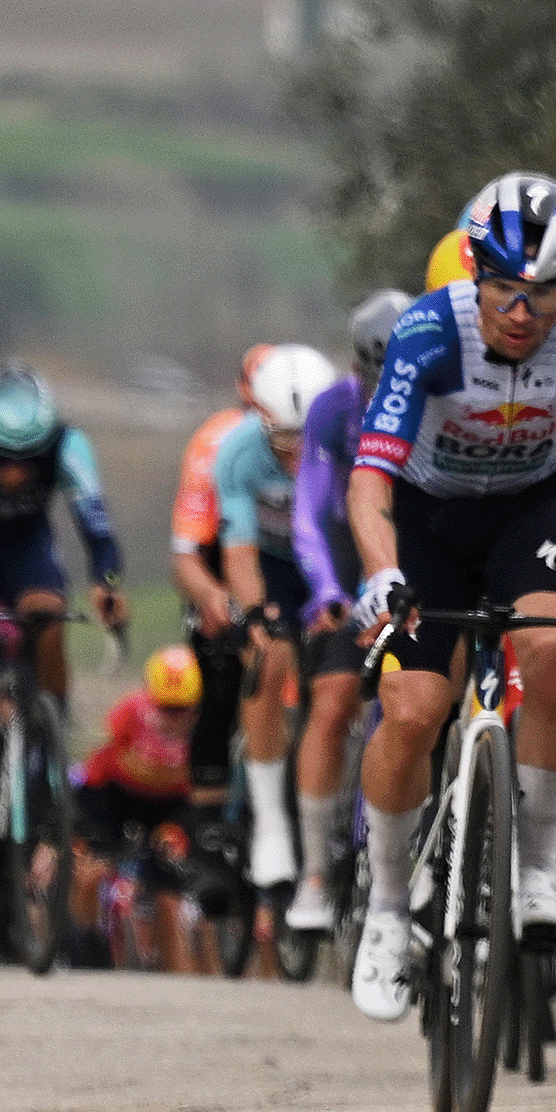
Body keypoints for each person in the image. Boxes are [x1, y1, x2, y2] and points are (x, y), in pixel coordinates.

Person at [344, 175, 556, 1026]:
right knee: (413, 709)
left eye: (542, 293)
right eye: (503, 288)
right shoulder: (429, 331)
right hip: (425, 515)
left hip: (530, 506)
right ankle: (384, 908)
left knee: (554, 643)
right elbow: (370, 474)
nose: (521, 311)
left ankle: (536, 867)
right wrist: (382, 572)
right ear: (474, 271)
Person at [0, 360, 129, 916]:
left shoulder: (70, 446)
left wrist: (106, 586)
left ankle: (47, 729)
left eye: (27, 462)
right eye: (0, 460)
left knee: (51, 617)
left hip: (23, 557)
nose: (13, 474)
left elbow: (98, 534)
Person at [173, 344, 331, 920]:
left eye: (300, 435)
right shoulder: (222, 443)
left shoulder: (341, 433)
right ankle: (223, 833)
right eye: (278, 434)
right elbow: (202, 550)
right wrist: (234, 605)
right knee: (232, 671)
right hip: (240, 559)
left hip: (322, 557)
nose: (290, 449)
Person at [279, 291, 404, 944]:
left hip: (414, 567)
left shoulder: (437, 396)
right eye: (370, 370)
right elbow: (310, 506)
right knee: (330, 704)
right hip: (350, 572)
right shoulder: (334, 409)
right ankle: (316, 873)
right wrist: (326, 590)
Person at [73, 646, 208, 969]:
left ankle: (178, 981)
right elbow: (98, 767)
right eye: (166, 708)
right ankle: (85, 946)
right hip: (114, 797)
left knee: (168, 896)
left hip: (168, 806)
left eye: (182, 710)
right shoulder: (130, 712)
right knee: (93, 872)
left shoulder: (206, 727)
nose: (174, 718)